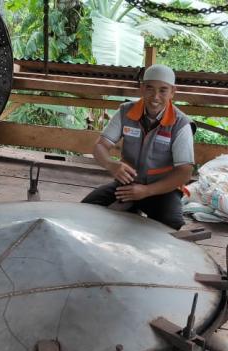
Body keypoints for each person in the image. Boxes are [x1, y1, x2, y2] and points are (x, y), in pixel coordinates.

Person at [82, 64, 194, 230]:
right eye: (150, 88)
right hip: (127, 185)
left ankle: (133, 208)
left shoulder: (181, 124)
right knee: (85, 209)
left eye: (163, 90)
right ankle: (132, 208)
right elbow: (100, 146)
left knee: (174, 229)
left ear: (172, 92)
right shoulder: (125, 112)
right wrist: (110, 164)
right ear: (142, 89)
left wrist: (146, 191)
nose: (155, 96)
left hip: (162, 191)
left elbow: (185, 172)